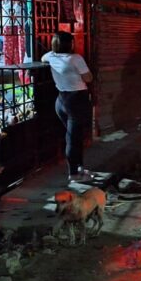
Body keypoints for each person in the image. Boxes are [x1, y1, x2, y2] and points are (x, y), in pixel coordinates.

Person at [42, 31, 93, 183]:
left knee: (74, 136)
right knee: (73, 138)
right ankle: (74, 174)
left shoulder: (51, 56)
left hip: (61, 101)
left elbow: (43, 58)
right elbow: (88, 78)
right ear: (69, 44)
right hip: (76, 101)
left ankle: (80, 168)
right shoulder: (75, 58)